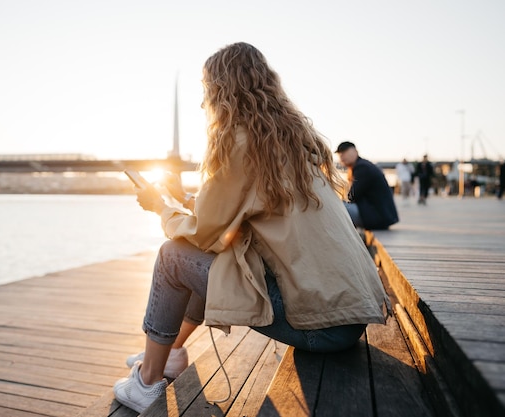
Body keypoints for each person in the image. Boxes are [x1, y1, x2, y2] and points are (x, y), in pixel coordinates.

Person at [113, 42, 390, 413]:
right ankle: (172, 353)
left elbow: (202, 234)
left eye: (206, 92)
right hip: (347, 318)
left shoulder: (240, 144)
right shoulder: (290, 142)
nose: (202, 104)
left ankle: (147, 382)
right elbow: (240, 212)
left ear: (221, 93)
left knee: (172, 257)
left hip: (321, 327)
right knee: (208, 255)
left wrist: (161, 206)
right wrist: (188, 204)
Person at [335, 142, 399, 229]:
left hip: (377, 217)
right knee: (338, 205)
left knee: (335, 207)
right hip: (381, 216)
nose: (341, 156)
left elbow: (352, 196)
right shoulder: (363, 165)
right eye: (340, 154)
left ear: (355, 151)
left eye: (344, 152)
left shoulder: (362, 168)